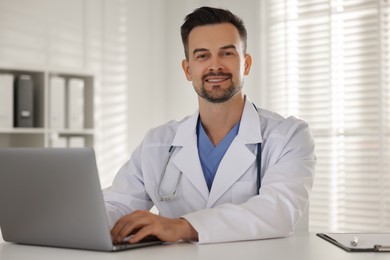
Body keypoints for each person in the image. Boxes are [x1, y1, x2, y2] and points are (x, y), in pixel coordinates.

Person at [104, 6, 316, 245]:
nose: (215, 66)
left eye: (226, 53)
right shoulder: (157, 143)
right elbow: (117, 203)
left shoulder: (288, 136)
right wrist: (90, 219)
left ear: (246, 64)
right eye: (202, 55)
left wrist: (181, 226)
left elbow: (277, 212)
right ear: (187, 69)